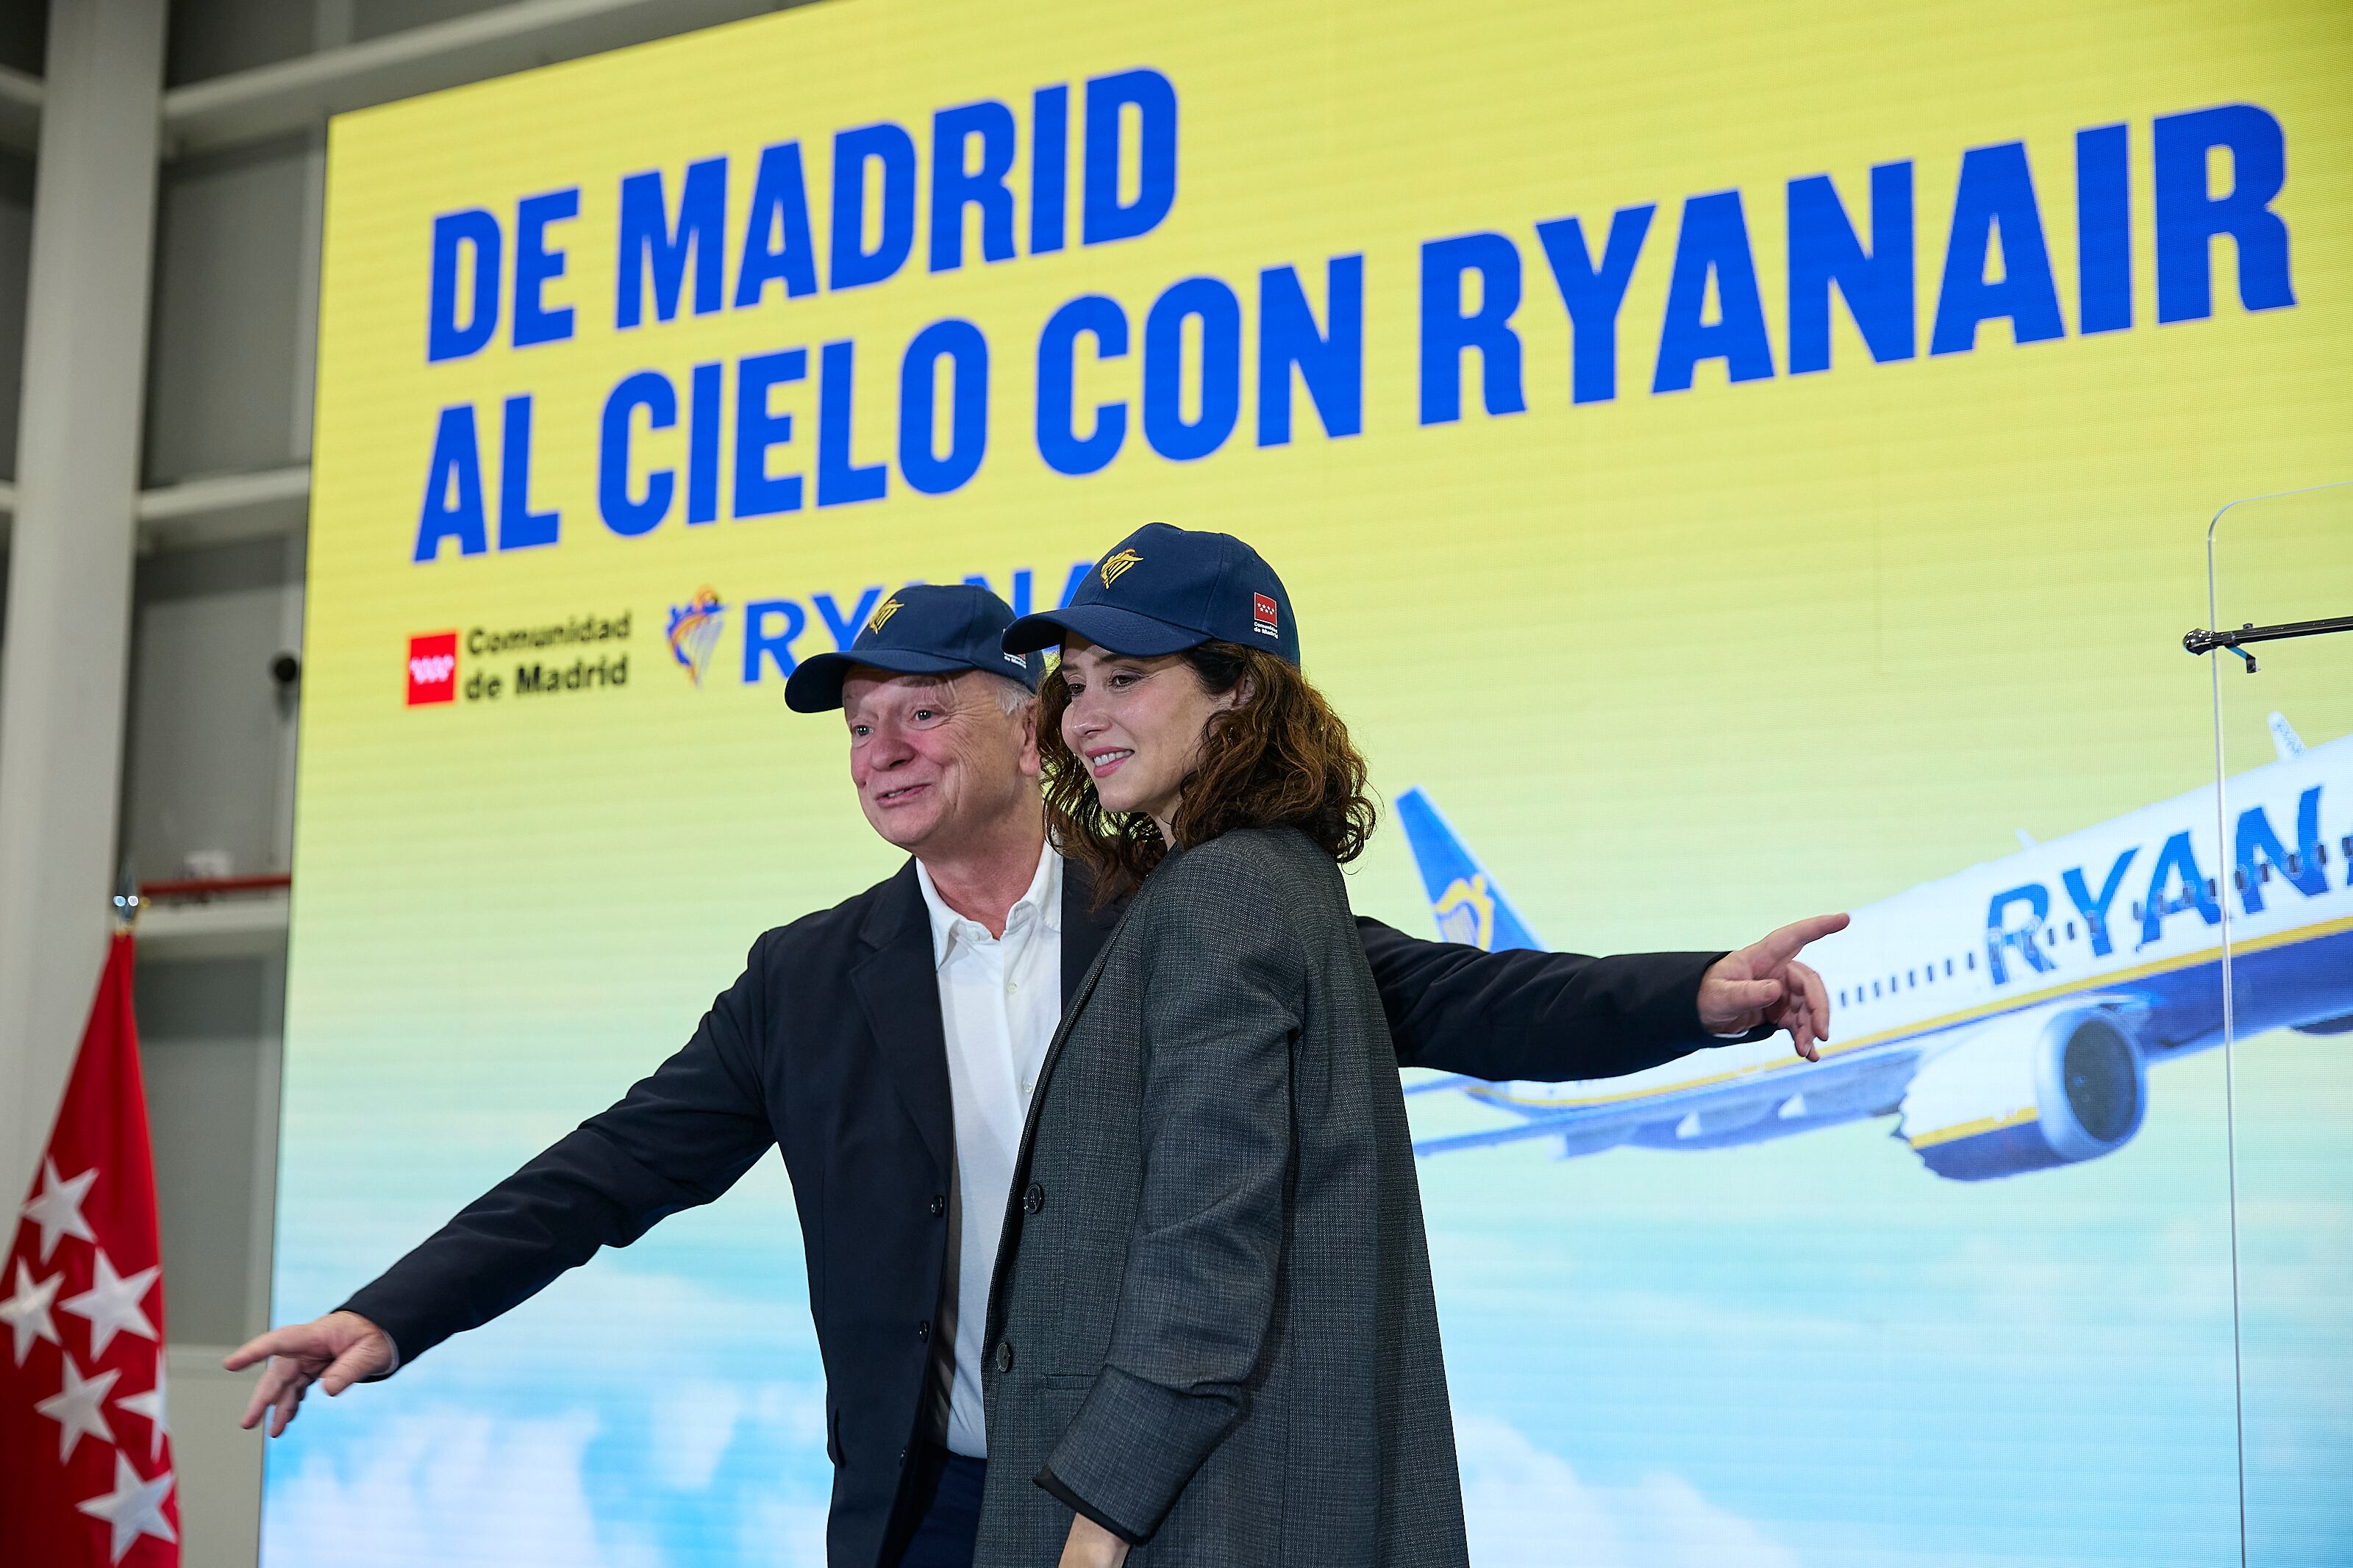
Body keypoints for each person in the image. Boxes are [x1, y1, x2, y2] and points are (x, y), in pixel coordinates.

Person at [226, 579, 1841, 1568]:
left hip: (1149, 1501)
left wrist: (1693, 994)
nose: (882, 750)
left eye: (923, 712)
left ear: (1031, 727)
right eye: (859, 725)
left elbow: (1439, 990)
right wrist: (392, 1310)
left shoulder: (1179, 904)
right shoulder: (807, 978)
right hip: (928, 1510)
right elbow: (614, 1165)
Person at [979, 525, 1471, 1567]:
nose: (1083, 717)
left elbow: (1206, 1253)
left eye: (1126, 677)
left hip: (1195, 1520)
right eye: (1073, 684)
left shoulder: (1223, 894)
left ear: (1239, 689)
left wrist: (1095, 1528)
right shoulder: (1268, 880)